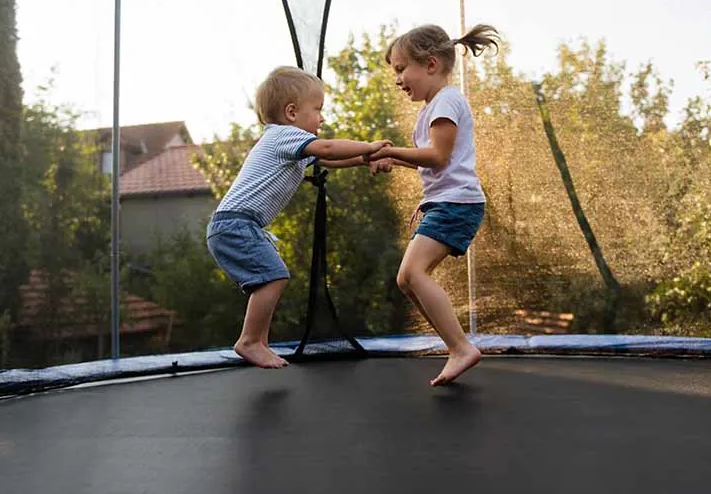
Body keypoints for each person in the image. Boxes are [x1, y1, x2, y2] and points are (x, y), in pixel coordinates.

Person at [207, 66, 390, 369]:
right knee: (275, 277)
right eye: (317, 109)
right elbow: (329, 147)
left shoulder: (287, 142)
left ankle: (258, 342)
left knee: (268, 280)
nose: (322, 118)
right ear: (291, 112)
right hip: (236, 224)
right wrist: (370, 146)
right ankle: (250, 341)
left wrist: (364, 159)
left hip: (236, 225)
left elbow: (330, 157)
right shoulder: (283, 136)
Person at [368, 24, 500, 386]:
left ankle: (461, 348)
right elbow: (435, 161)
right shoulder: (431, 108)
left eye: (400, 69)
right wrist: (395, 161)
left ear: (429, 64)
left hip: (458, 204)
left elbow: (438, 156)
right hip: (445, 203)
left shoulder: (447, 100)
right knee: (406, 279)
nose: (397, 79)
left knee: (412, 274)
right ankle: (456, 346)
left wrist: (391, 150)